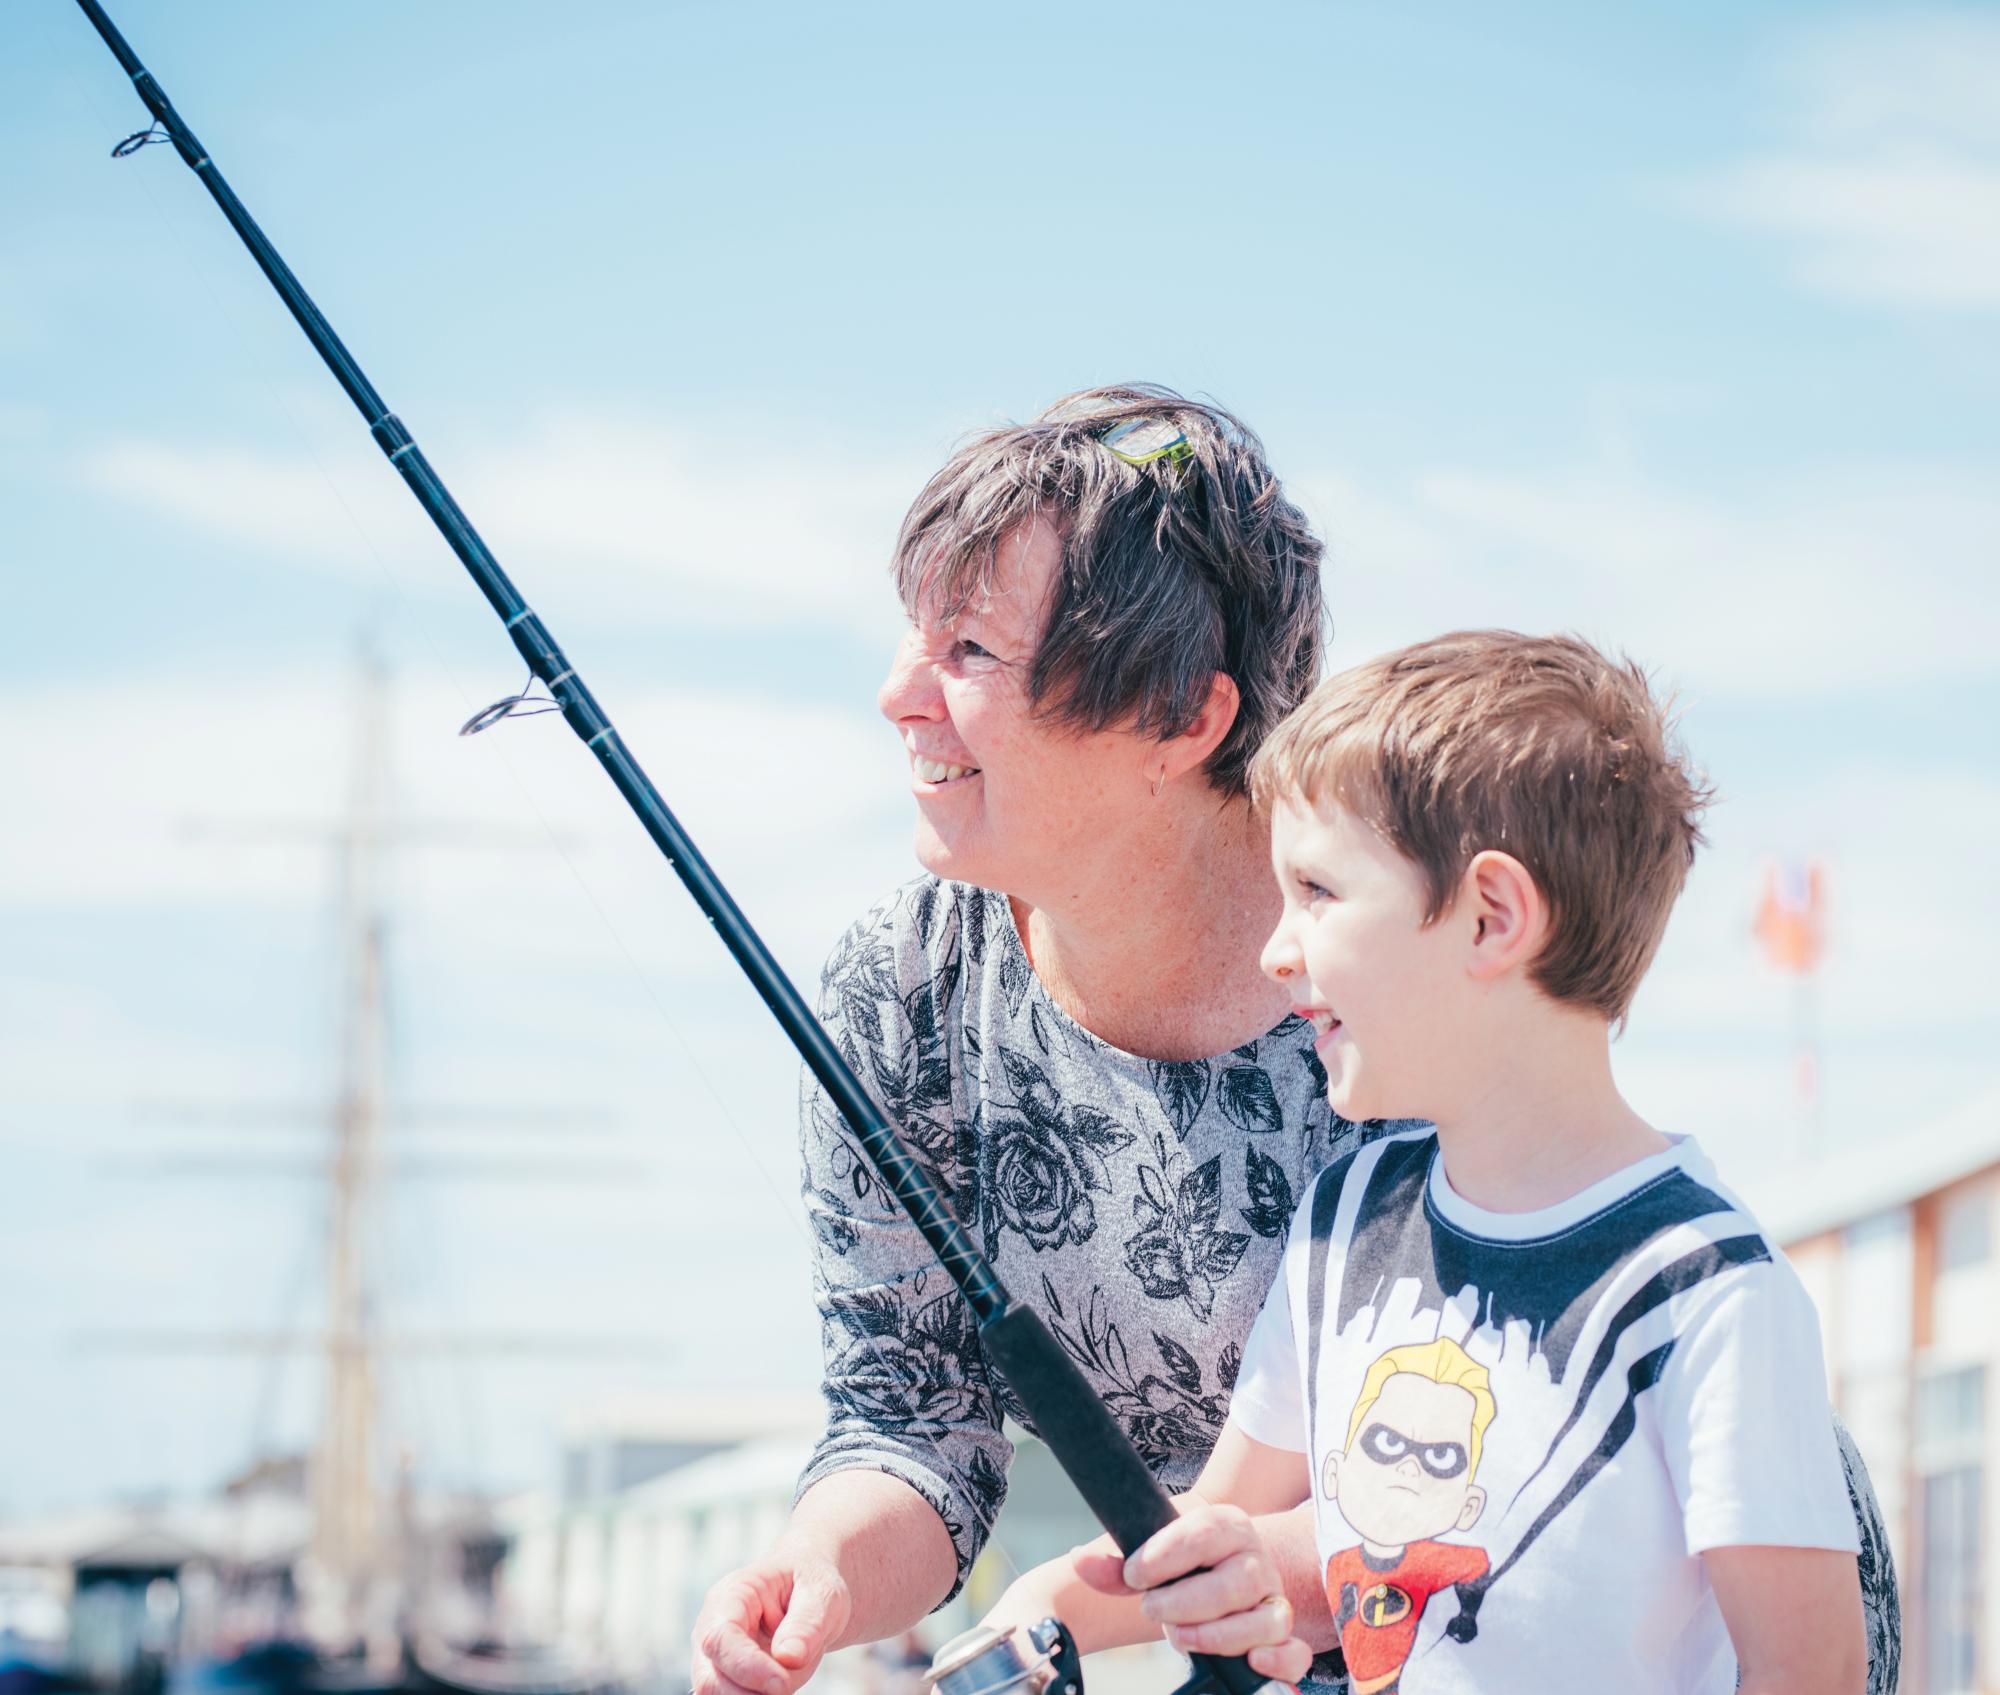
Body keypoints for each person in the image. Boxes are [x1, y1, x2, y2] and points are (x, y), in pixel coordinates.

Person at [993, 632, 1870, 1694]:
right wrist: (1034, 1618)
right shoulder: (1345, 1219)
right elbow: (1209, 1542)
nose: (1276, 949)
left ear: (1491, 917)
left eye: (1315, 891)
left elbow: (1809, 1672)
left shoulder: (1709, 1296)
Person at [689, 385, 1389, 1695]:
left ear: (1184, 717)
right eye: (917, 634)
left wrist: (1234, 1576)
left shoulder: (1405, 948)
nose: (899, 694)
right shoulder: (901, 992)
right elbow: (912, 1420)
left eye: (969, 650)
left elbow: (1541, 1419)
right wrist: (818, 1575)